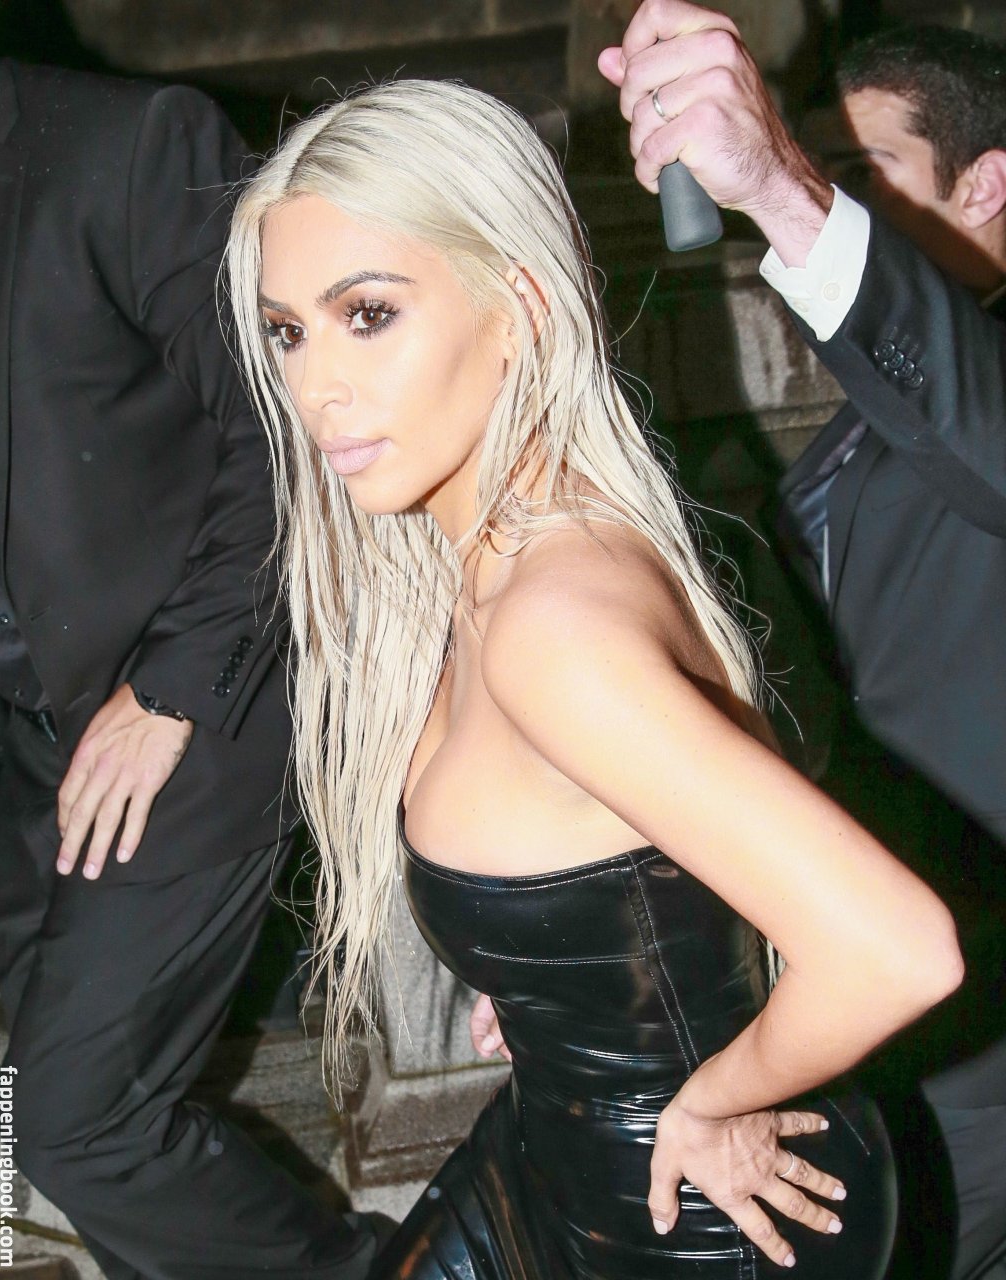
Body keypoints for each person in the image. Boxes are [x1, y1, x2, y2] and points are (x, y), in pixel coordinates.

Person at [225, 75, 963, 1278]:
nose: (316, 388)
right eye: (287, 331)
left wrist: (713, 1099)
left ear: (516, 308)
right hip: (558, 1134)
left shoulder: (549, 626)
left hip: (697, 1209)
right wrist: (555, 972)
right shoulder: (487, 552)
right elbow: (651, 856)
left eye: (367, 313)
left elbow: (896, 946)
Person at [600, 8, 1006, 1277]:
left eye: (863, 170)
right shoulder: (877, 410)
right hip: (870, 989)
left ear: (987, 182)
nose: (843, 198)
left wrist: (781, 188)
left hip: (974, 1013)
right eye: (825, 168)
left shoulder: (970, 380)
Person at [0, 53, 380, 1279]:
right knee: (34, 1108)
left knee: (74, 1119)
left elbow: (294, 435)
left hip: (198, 696)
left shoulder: (131, 147)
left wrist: (167, 693)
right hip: (27, 731)